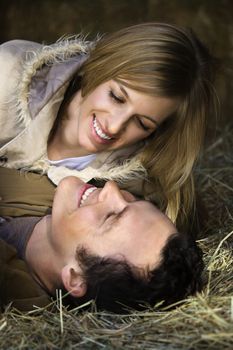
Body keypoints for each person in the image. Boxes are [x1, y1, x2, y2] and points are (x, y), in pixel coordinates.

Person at [0, 22, 217, 230]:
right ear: (97, 69)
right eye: (116, 97)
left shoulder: (138, 187)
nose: (114, 126)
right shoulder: (8, 73)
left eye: (142, 123)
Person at [0, 174, 203, 313]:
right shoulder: (43, 184)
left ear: (75, 278)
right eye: (133, 201)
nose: (111, 187)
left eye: (110, 216)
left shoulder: (12, 296)